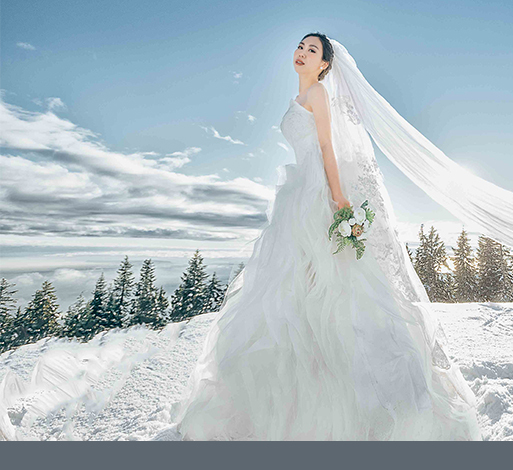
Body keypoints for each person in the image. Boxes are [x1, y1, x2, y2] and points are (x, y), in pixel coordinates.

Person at [171, 33, 482, 441]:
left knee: (332, 293)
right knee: (289, 296)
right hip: (297, 195)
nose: (301, 53)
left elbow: (326, 147)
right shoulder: (300, 97)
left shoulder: (318, 93)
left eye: (312, 50)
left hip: (316, 194)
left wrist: (338, 200)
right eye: (300, 46)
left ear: (324, 66)